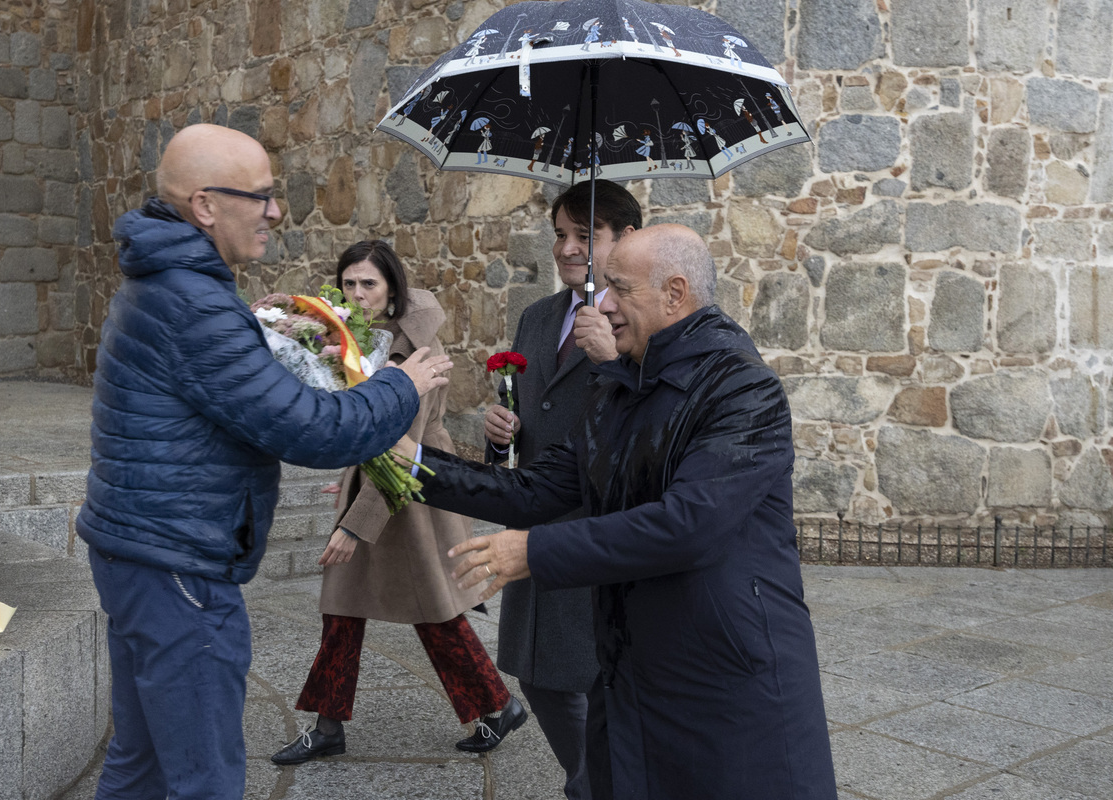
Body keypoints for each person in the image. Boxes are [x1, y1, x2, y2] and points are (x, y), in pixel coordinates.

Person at [75, 124, 452, 800]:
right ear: (206, 206)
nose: (277, 212)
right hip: (179, 567)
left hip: (139, 552)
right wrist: (403, 383)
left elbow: (224, 390)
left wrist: (267, 340)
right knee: (205, 777)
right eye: (263, 197)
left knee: (141, 762)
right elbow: (312, 431)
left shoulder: (167, 283)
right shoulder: (193, 302)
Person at [404, 223, 838, 799]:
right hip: (634, 668)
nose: (603, 304)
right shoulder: (617, 390)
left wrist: (533, 551)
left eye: (620, 289)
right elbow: (534, 491)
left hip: (725, 681)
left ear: (675, 294)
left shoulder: (743, 391)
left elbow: (687, 526)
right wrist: (411, 464)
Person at [271, 240, 525, 765]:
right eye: (349, 284)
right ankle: (329, 724)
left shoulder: (417, 354)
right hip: (381, 485)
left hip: (408, 494)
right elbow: (365, 431)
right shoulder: (355, 342)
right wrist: (348, 472)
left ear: (392, 291)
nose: (358, 294)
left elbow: (400, 446)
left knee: (432, 610)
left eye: (370, 284)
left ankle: (497, 706)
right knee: (345, 610)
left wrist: (353, 526)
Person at [483, 179, 639, 800]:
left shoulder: (637, 319)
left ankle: (598, 786)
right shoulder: (538, 316)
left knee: (596, 677)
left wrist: (614, 360)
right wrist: (500, 435)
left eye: (585, 235)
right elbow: (528, 412)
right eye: (560, 235)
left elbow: (656, 410)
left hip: (597, 524)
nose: (567, 248)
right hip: (535, 520)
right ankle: (593, 780)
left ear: (624, 240)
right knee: (538, 676)